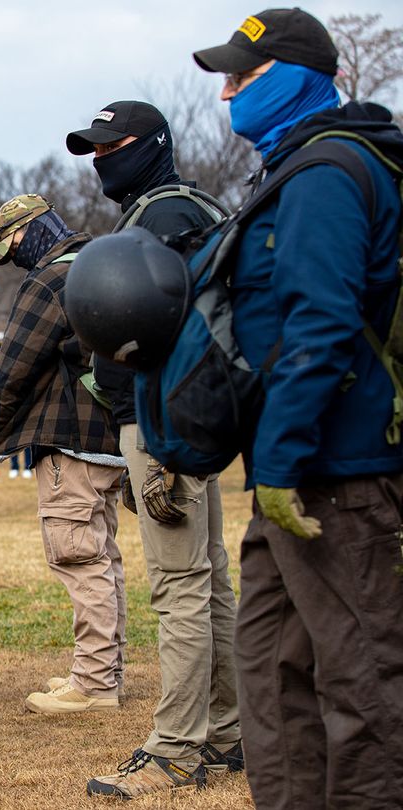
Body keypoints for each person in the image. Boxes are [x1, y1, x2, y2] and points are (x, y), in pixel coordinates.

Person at [191, 10, 403, 808]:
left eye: (240, 76)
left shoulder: (326, 172)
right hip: (295, 471)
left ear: (291, 75)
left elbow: (322, 323)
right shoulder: (292, 170)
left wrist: (279, 461)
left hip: (338, 474)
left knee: (365, 680)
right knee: (273, 670)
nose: (225, 94)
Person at [65, 101, 240, 798]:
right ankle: (230, 736)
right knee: (209, 580)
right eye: (93, 149)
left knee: (181, 588)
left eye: (113, 145)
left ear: (154, 144)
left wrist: (162, 447)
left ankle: (176, 748)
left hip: (165, 418)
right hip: (184, 416)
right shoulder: (185, 207)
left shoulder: (164, 217)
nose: (101, 158)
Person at [0, 194, 126, 715]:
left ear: (30, 232)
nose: (16, 263)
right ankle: (102, 668)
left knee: (80, 559)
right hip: (113, 439)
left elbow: (13, 373)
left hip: (70, 441)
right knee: (104, 558)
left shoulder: (49, 280)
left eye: (13, 249)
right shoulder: (104, 258)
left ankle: (96, 684)